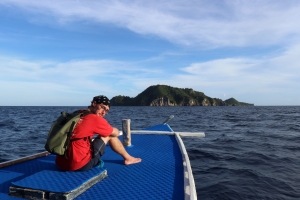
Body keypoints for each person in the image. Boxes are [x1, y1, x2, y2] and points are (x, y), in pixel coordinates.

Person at [55, 95, 141, 171]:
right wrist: (113, 129)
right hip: (79, 165)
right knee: (109, 135)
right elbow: (115, 133)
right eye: (102, 107)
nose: (104, 112)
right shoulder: (95, 119)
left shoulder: (77, 114)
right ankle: (128, 158)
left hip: (60, 163)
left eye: (106, 111)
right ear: (94, 104)